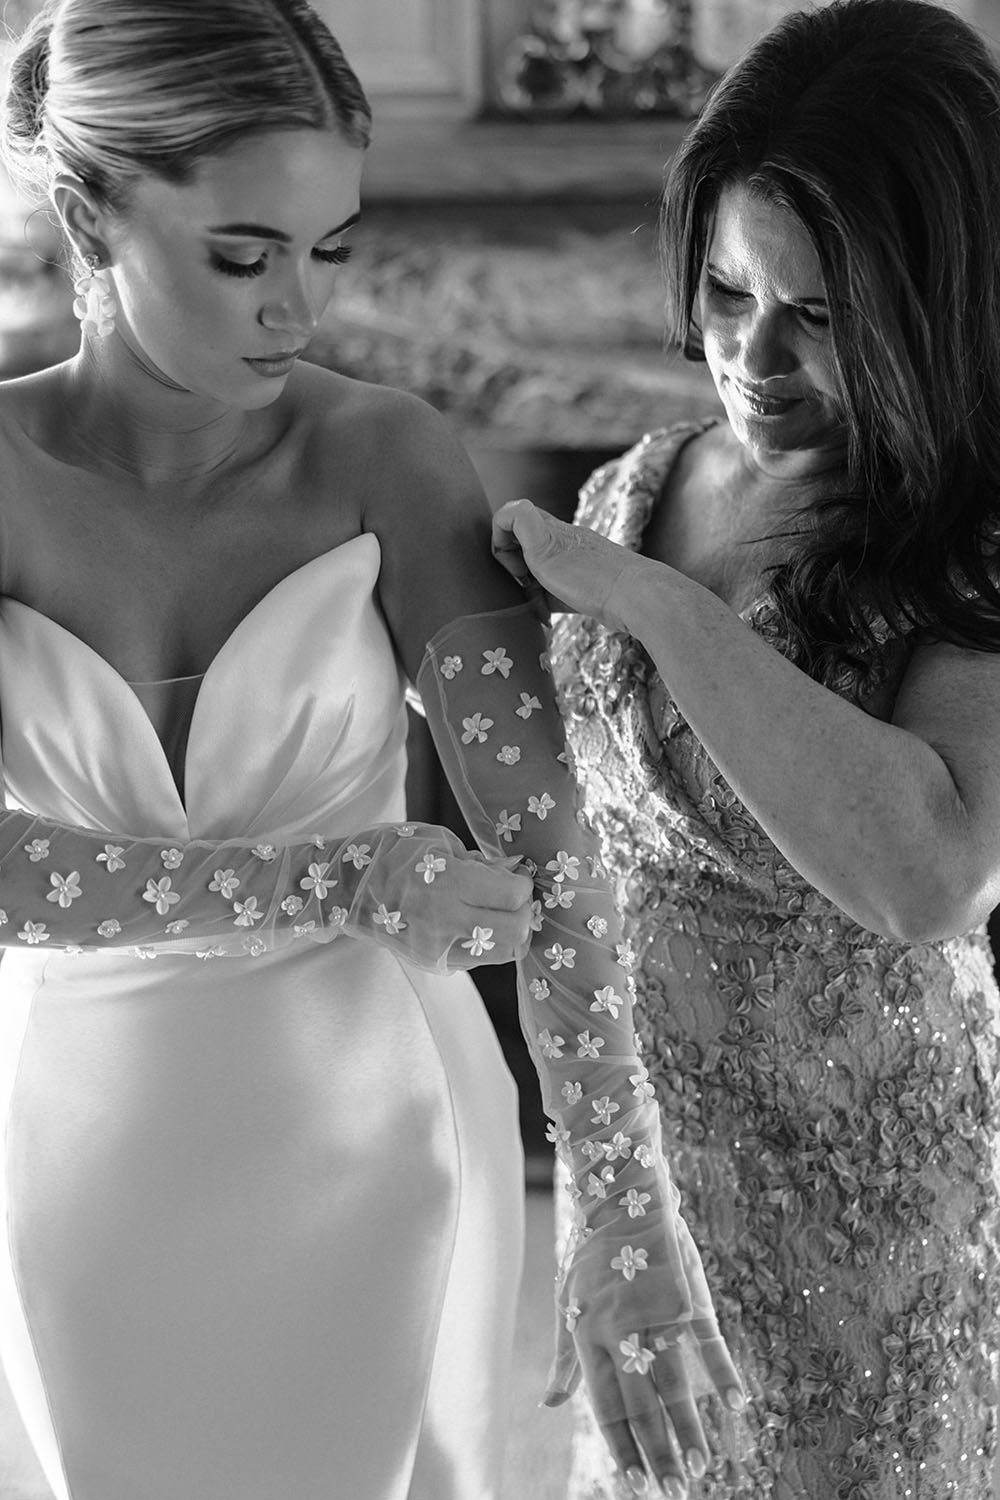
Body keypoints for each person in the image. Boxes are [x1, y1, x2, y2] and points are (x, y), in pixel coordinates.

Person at [0, 3, 743, 1499]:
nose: (300, 307)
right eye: (243, 253)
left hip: (384, 1128)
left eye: (330, 249)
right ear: (90, 213)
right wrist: (340, 874)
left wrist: (620, 1207)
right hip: (77, 1140)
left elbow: (553, 855)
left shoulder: (387, 456)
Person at [491, 0, 1000, 1495]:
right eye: (724, 292)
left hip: (879, 1214)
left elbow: (931, 877)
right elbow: (561, 843)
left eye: (819, 315)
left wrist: (655, 608)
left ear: (935, 295)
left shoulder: (968, 527)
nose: (750, 357)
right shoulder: (636, 486)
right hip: (651, 1191)